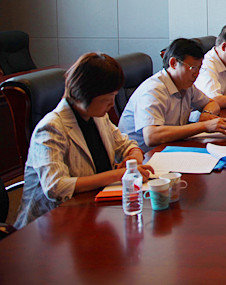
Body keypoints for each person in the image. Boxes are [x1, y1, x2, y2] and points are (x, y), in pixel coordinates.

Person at [15, 53, 153, 229]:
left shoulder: (97, 116)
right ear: (82, 95)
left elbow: (127, 145)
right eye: (105, 99)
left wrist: (133, 159)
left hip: (95, 210)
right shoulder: (51, 128)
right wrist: (118, 175)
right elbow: (56, 187)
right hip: (51, 225)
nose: (111, 104)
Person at [118, 38, 226, 151]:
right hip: (142, 157)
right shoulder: (153, 90)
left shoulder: (186, 85)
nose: (196, 74)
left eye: (199, 68)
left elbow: (211, 103)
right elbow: (151, 136)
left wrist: (206, 114)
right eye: (193, 68)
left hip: (171, 148)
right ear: (173, 63)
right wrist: (204, 126)